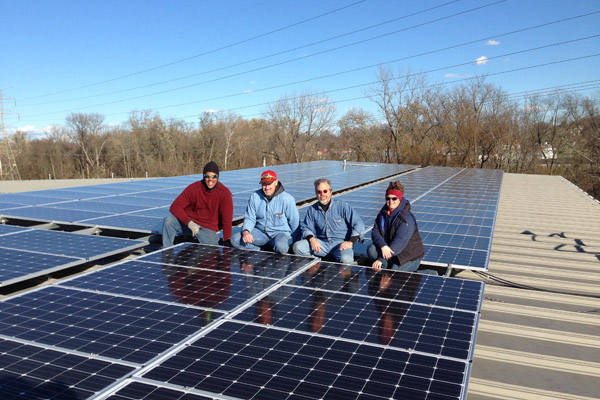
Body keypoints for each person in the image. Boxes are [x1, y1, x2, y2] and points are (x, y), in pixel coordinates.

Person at [162, 161, 233, 248]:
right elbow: (175, 206)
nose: (210, 179)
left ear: (218, 177)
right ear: (203, 176)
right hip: (190, 224)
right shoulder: (194, 188)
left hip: (207, 228)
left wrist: (227, 242)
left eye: (213, 176)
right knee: (169, 220)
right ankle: (167, 253)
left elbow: (227, 220)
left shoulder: (224, 193)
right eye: (207, 176)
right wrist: (189, 223)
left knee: (212, 249)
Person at [293, 178, 365, 264]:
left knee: (346, 259)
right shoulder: (312, 210)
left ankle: (341, 267)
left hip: (340, 245)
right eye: (319, 192)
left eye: (325, 191)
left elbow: (359, 224)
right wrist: (312, 239)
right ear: (316, 193)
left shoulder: (343, 207)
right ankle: (316, 265)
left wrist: (350, 242)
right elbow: (306, 227)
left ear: (330, 192)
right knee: (298, 247)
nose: (322, 194)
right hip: (321, 245)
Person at [231, 170, 299, 254]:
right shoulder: (255, 197)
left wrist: (291, 240)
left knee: (281, 247)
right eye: (264, 184)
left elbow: (294, 223)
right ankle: (262, 253)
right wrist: (246, 231)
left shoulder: (287, 199)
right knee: (235, 240)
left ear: (276, 182)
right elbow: (250, 218)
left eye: (269, 184)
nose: (266, 188)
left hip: (279, 234)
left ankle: (277, 249)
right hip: (260, 233)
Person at [368, 181, 430, 273]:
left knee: (394, 274)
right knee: (372, 249)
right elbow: (375, 232)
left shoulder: (406, 219)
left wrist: (381, 259)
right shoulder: (382, 214)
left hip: (408, 256)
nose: (390, 201)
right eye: (388, 198)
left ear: (400, 199)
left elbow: (399, 243)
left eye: (394, 199)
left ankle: (430, 274)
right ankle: (384, 267)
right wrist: (383, 246)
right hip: (390, 250)